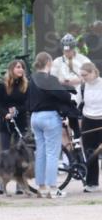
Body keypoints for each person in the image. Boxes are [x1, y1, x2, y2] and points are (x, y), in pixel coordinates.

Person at [28, 52, 76, 198]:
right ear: (48, 63)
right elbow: (64, 95)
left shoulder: (31, 79)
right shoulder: (50, 79)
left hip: (34, 117)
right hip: (49, 116)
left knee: (40, 153)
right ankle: (53, 188)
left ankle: (41, 187)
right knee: (52, 153)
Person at [0, 60, 29, 153]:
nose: (21, 70)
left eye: (22, 68)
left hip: (20, 121)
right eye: (18, 67)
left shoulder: (26, 85)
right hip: (5, 122)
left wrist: (17, 110)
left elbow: (28, 103)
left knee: (20, 151)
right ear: (11, 69)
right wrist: (6, 113)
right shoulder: (2, 85)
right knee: (5, 151)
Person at [77, 61, 102, 194]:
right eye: (81, 75)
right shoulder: (82, 87)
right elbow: (76, 102)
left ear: (93, 72)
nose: (83, 78)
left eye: (85, 75)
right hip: (88, 122)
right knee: (90, 153)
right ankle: (92, 183)